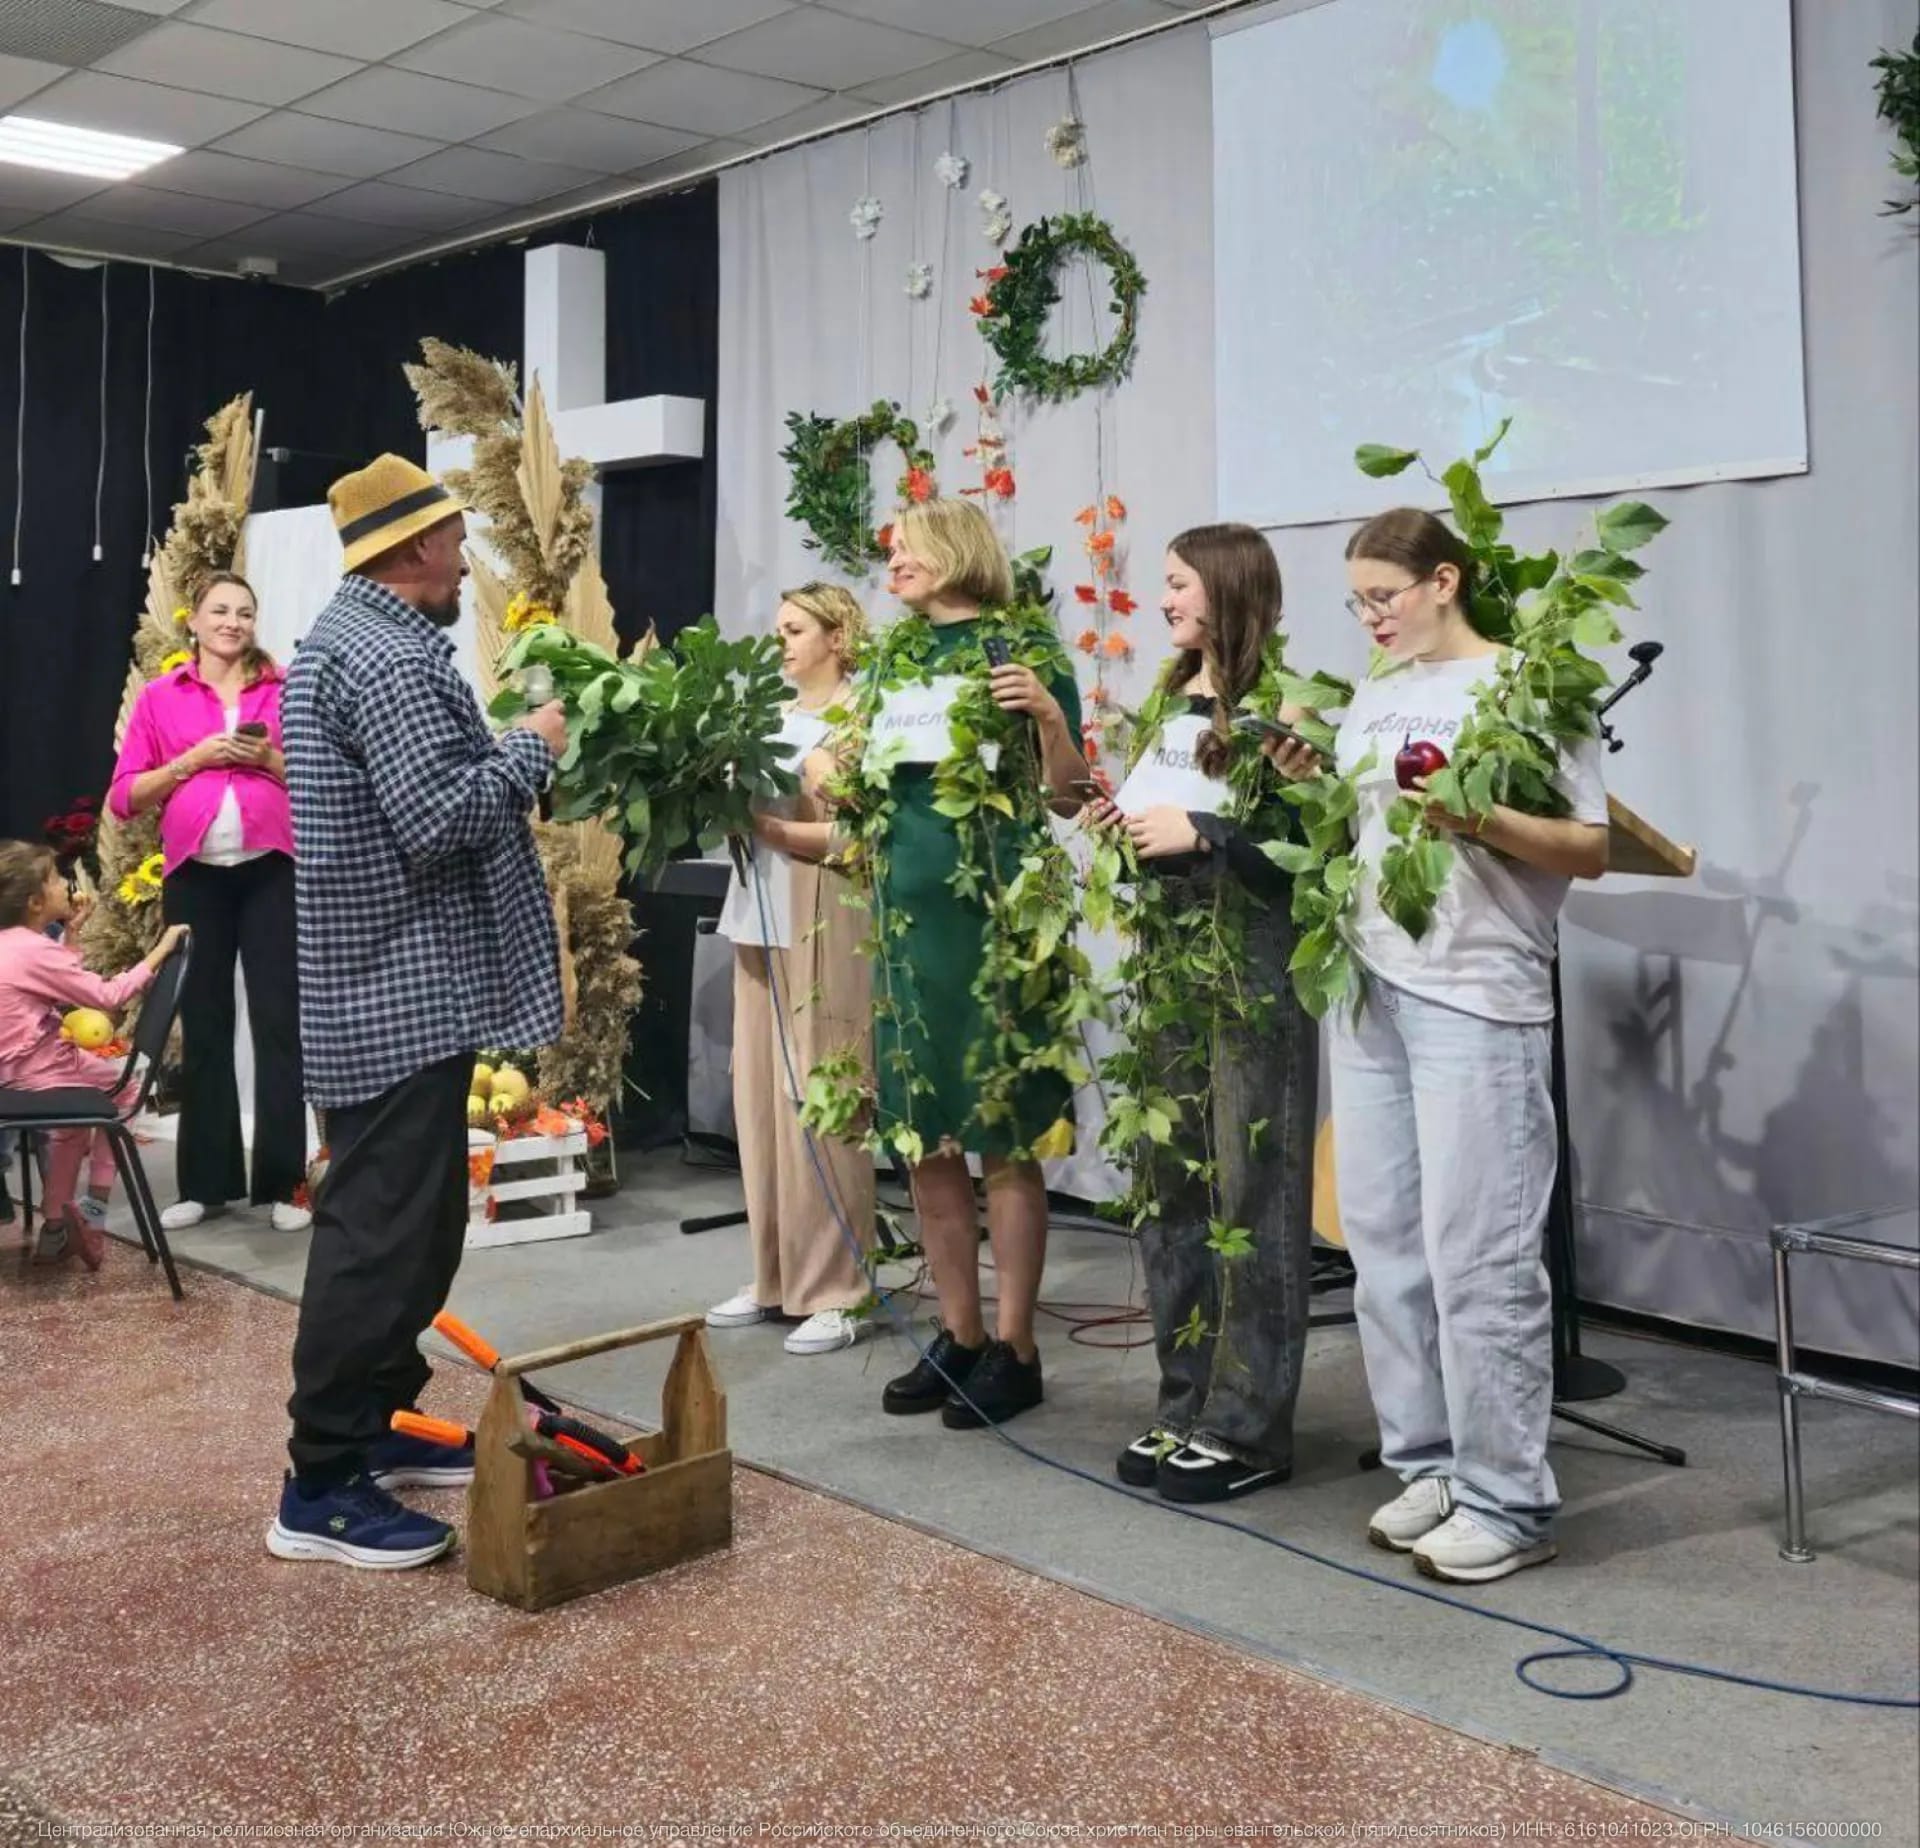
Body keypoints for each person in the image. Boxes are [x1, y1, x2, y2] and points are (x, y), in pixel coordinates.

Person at [1267, 506, 1608, 1584]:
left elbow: (1588, 846)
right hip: (1372, 983)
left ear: (1445, 581)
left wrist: (1476, 819)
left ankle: (1510, 1499)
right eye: (1357, 601)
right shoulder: (1381, 690)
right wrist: (1310, 779)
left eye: (1385, 596)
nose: (1369, 616)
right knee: (1384, 1248)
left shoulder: (1527, 684)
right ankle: (1430, 1463)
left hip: (1474, 993)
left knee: (1480, 1254)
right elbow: (1367, 829)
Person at [271, 455, 567, 1572]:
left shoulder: (347, 641)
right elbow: (440, 821)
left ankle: (378, 1419)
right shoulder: (390, 658)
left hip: (387, 987)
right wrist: (532, 746)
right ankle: (322, 1485)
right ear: (411, 548)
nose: (462, 559)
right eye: (452, 539)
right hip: (395, 992)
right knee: (380, 1239)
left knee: (414, 1227)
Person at [1085, 525, 1318, 1503]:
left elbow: (1312, 845)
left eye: (1179, 583)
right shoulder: (1169, 700)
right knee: (1173, 1187)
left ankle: (1248, 1425)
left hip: (1253, 967)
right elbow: (1162, 822)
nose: (1165, 599)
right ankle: (1185, 1398)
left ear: (1227, 590)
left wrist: (1208, 830)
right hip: (1170, 961)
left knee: (1250, 1192)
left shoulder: (1288, 705)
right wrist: (1127, 826)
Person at [854, 499, 1088, 1428]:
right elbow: (872, 793)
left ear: (955, 551)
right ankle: (959, 1334)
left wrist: (1049, 721)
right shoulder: (893, 659)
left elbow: (1069, 797)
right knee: (926, 1138)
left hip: (994, 930)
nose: (894, 564)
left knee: (1003, 1134)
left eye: (907, 549)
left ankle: (1017, 1348)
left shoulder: (1022, 650)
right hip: (907, 928)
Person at [108, 572, 309, 1235]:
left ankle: (285, 1185)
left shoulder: (283, 689)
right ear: (193, 621)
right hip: (195, 877)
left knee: (280, 1023)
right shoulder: (162, 697)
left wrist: (267, 759)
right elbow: (124, 796)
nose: (233, 622)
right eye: (220, 611)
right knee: (204, 1023)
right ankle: (206, 1184)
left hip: (271, 871)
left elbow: (319, 777)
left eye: (245, 612)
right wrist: (190, 761)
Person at [708, 583, 877, 1356]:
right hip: (758, 915)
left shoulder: (860, 716)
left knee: (824, 1094)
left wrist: (771, 827)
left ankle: (840, 1288)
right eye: (778, 629)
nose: (782, 643)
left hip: (823, 913)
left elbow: (860, 837)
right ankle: (774, 1274)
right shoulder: (769, 719)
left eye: (796, 629)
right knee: (759, 1099)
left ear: (838, 637)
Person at [0, 840, 187, 1268]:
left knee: (73, 1126)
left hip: (12, 1074)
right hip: (40, 1071)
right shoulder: (34, 949)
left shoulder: (15, 943)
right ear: (34, 902)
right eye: (55, 879)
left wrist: (73, 934)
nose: (66, 884)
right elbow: (108, 995)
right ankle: (94, 1216)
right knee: (125, 1093)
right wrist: (160, 950)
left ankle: (55, 1227)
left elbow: (50, 981)